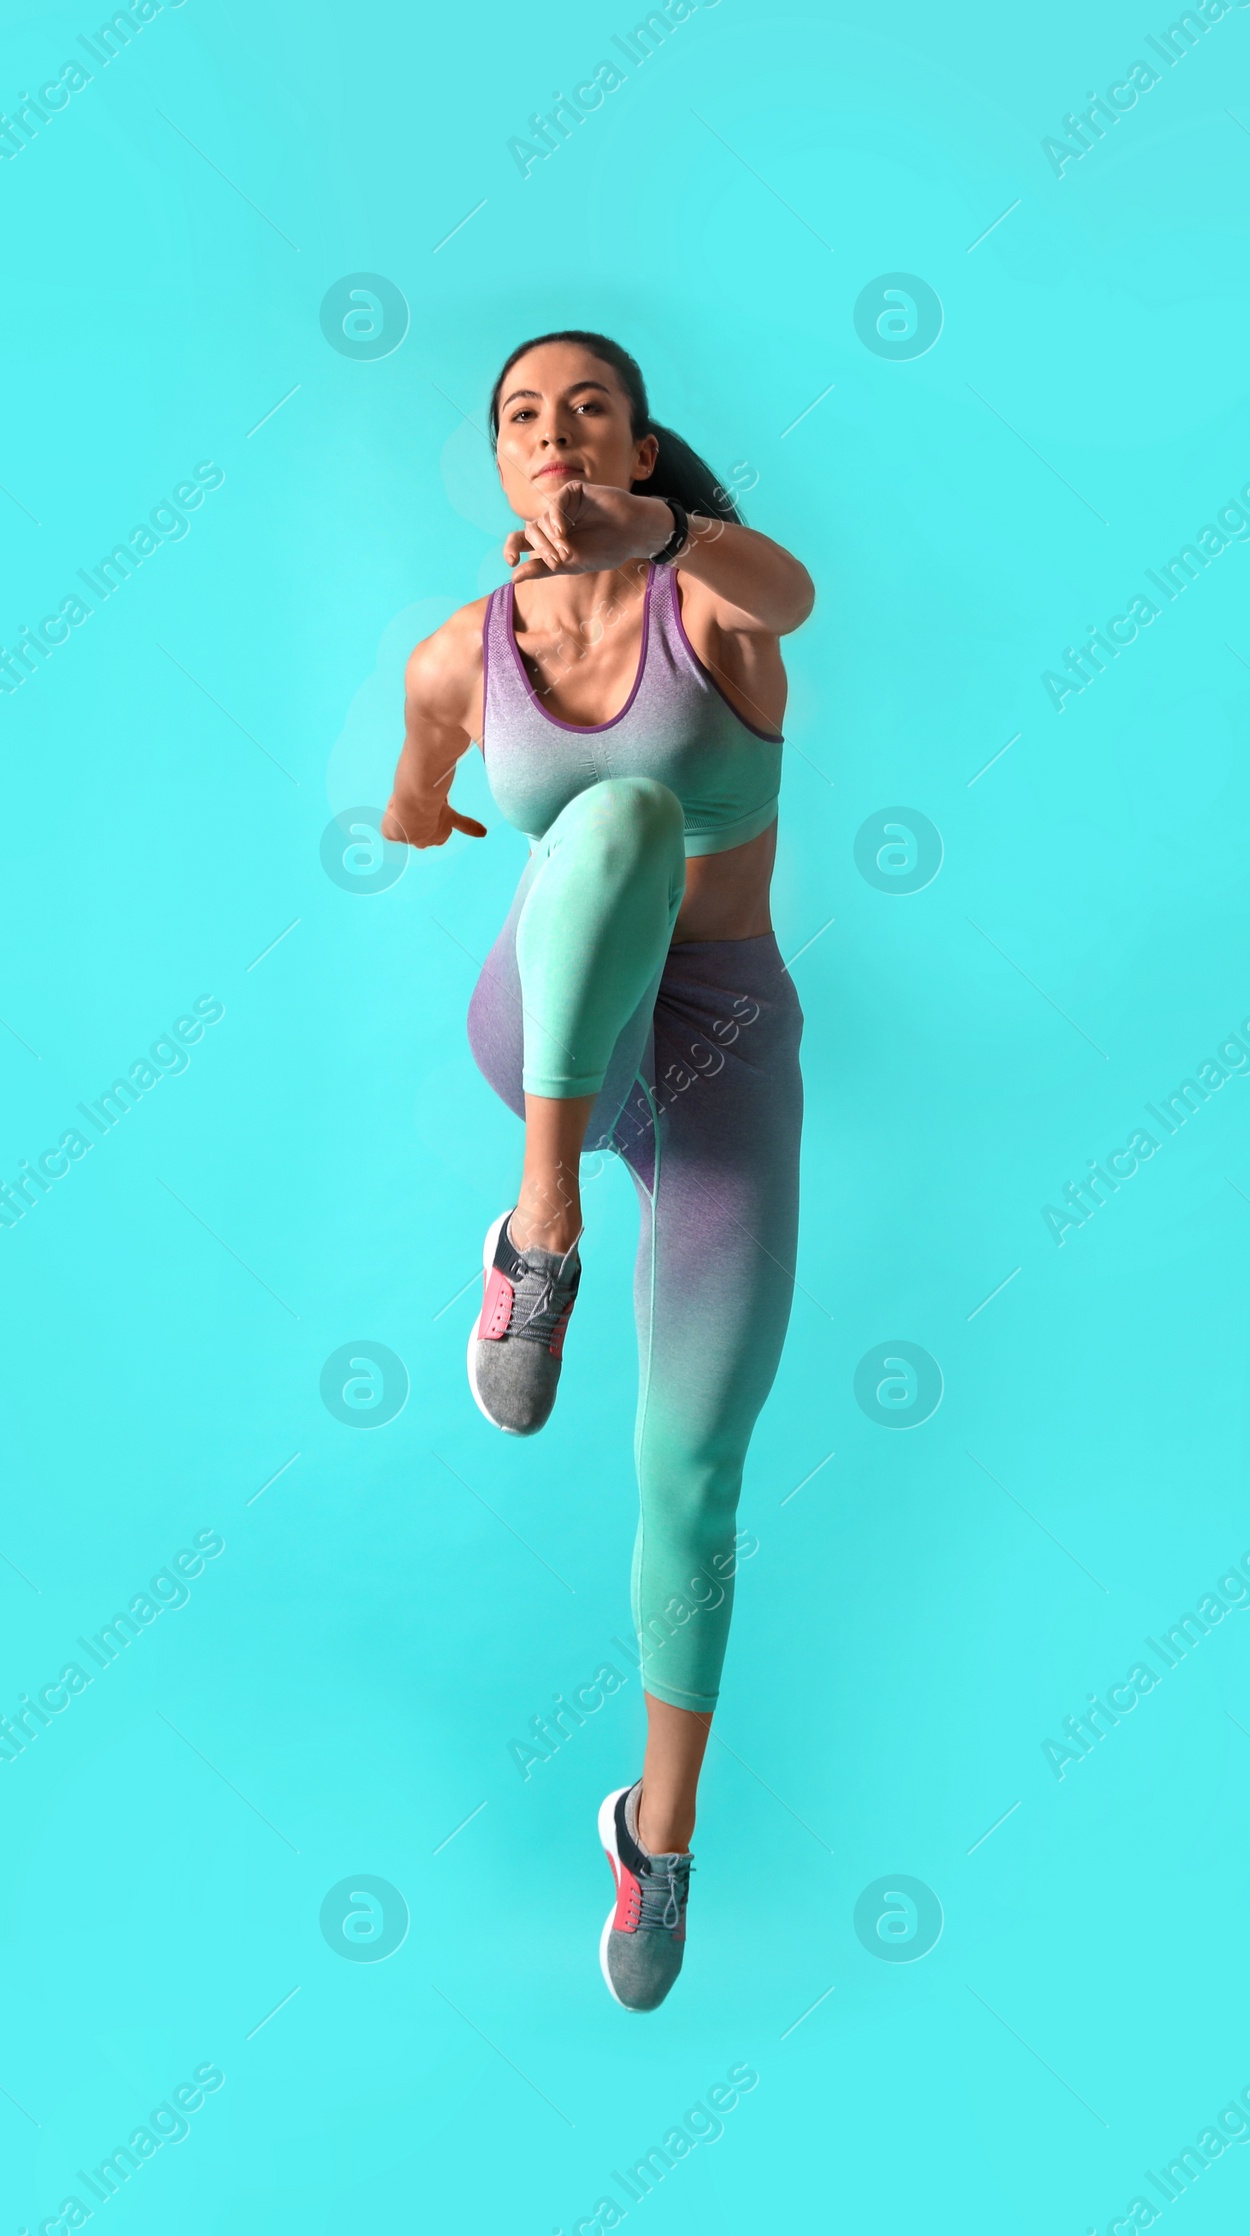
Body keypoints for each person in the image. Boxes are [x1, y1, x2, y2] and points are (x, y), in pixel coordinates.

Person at [384, 330, 813, 2011]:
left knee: (696, 1472)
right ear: (500, 464)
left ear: (639, 448)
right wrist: (434, 814)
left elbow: (792, 597)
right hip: (551, 1050)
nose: (555, 433)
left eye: (591, 410)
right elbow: (417, 794)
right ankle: (537, 1225)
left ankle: (661, 1833)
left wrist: (673, 542)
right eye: (522, 415)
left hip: (721, 1056)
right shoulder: (455, 655)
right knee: (618, 823)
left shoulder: (717, 611)